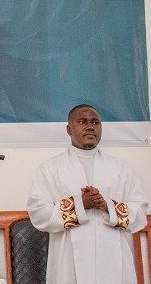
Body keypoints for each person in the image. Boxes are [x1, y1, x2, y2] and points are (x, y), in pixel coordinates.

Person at [27, 104, 148, 284]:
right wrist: (79, 204)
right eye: (82, 121)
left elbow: (140, 211)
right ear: (69, 129)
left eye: (95, 122)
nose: (90, 126)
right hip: (68, 262)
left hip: (114, 260)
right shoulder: (50, 169)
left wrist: (107, 206)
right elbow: (38, 213)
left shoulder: (121, 168)